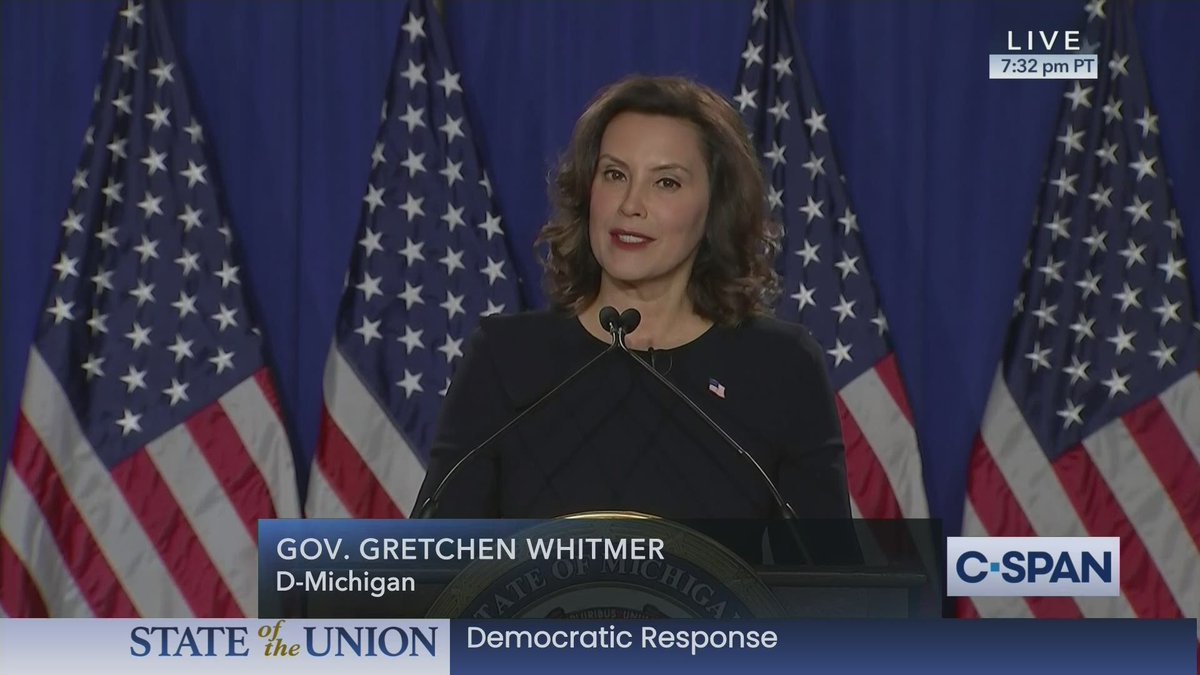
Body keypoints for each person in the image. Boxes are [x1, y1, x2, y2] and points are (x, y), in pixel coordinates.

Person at [413, 75, 850, 522]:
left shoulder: (780, 368)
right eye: (615, 174)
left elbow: (826, 565)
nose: (630, 204)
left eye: (667, 183)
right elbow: (435, 554)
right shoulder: (506, 359)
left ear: (716, 206)